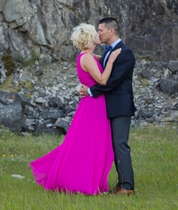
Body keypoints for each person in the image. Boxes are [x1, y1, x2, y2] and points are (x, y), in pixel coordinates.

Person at [30, 23, 121, 195]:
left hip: (93, 102)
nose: (98, 35)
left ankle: (90, 180)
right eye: (95, 33)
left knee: (92, 142)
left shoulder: (88, 55)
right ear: (89, 37)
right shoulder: (86, 57)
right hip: (94, 104)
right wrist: (111, 61)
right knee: (90, 143)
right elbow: (102, 80)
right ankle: (82, 182)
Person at [79, 17, 136, 195]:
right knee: (113, 145)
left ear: (111, 31)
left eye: (101, 30)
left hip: (120, 106)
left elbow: (112, 81)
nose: (98, 33)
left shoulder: (125, 53)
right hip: (108, 106)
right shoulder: (108, 51)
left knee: (120, 144)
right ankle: (121, 184)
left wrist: (90, 91)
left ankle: (127, 186)